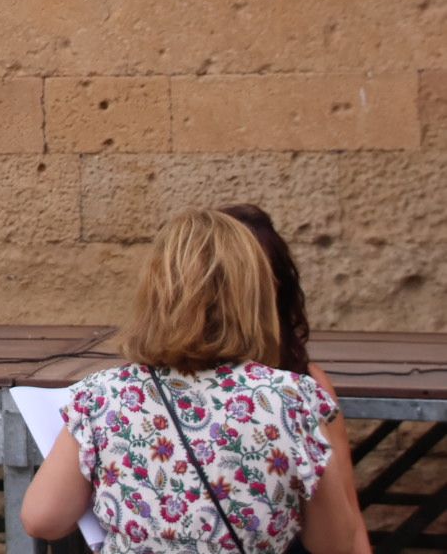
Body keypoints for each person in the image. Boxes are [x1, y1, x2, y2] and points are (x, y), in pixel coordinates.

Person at [21, 208, 360, 554]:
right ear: (254, 294)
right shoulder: (292, 398)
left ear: (154, 293)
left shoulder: (104, 396)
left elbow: (43, 519)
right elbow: (334, 544)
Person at [221, 204, 371, 554]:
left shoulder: (306, 383)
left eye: (255, 281)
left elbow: (348, 512)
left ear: (275, 288)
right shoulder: (163, 383)